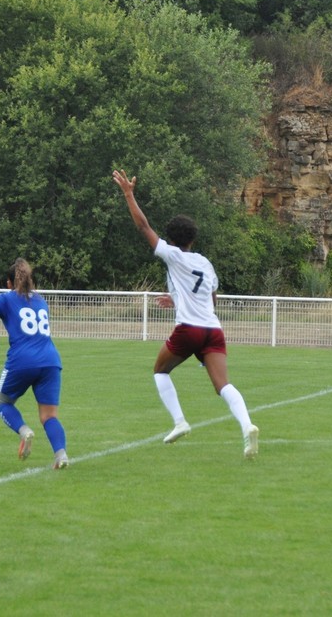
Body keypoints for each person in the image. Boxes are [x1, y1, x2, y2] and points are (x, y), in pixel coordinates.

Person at [113, 169, 259, 459]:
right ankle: (247, 427)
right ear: (193, 237)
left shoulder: (172, 255)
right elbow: (211, 298)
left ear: (171, 238)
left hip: (189, 329)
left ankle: (180, 422)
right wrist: (178, 299)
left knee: (159, 371)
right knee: (223, 385)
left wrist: (129, 194)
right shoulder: (205, 262)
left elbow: (143, 227)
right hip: (213, 330)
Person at [0, 258, 70, 469]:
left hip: (22, 360)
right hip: (50, 361)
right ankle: (61, 455)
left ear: (9, 283)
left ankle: (24, 431)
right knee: (49, 416)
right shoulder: (40, 300)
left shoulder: (7, 298)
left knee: (1, 402)